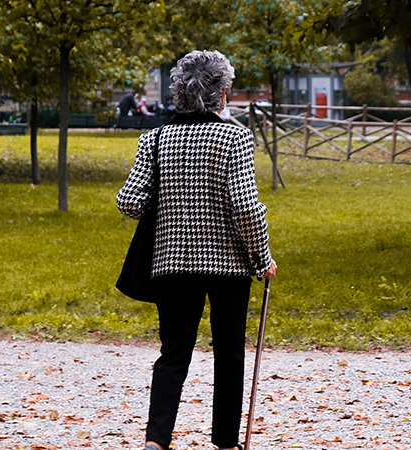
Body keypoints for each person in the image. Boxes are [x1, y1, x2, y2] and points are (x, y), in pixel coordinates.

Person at [116, 50, 277, 450]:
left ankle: (156, 441)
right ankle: (225, 443)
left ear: (178, 93)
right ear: (223, 94)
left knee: (173, 353)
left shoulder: (154, 139)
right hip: (230, 266)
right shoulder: (234, 137)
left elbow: (129, 202)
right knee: (228, 355)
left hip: (172, 262)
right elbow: (244, 206)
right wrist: (263, 257)